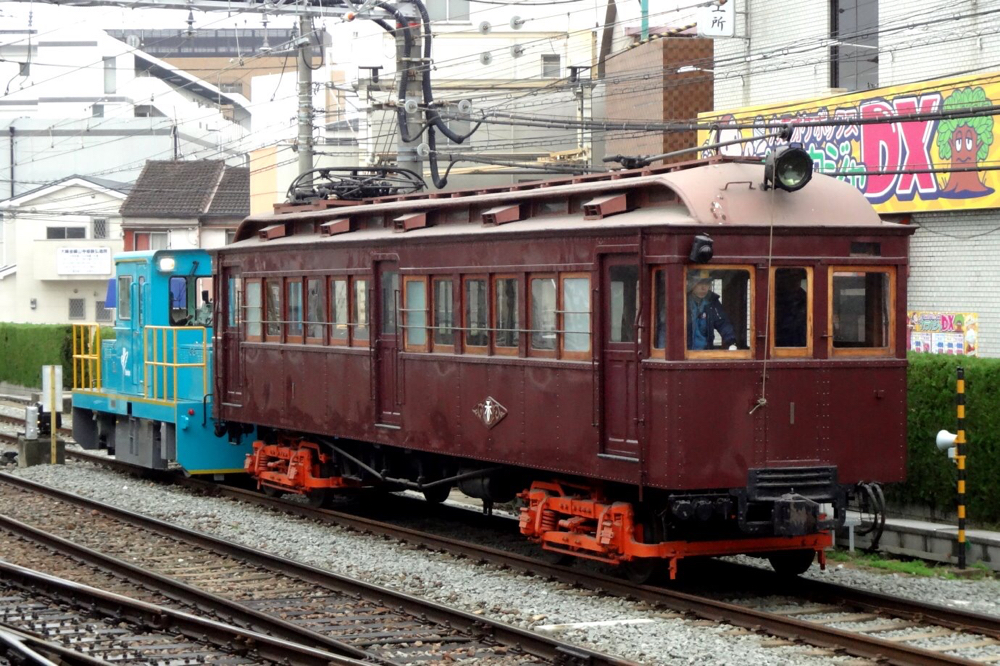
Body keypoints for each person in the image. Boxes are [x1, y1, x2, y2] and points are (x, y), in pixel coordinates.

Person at [687, 271, 737, 350]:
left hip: (705, 352)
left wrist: (731, 342)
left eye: (707, 284)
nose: (704, 288)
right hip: (685, 353)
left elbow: (722, 322)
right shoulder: (683, 301)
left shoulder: (712, 302)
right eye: (699, 283)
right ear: (691, 284)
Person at [774, 271, 808, 347]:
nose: (794, 282)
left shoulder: (805, 297)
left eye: (797, 279)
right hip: (780, 338)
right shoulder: (777, 296)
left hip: (801, 339)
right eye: (791, 279)